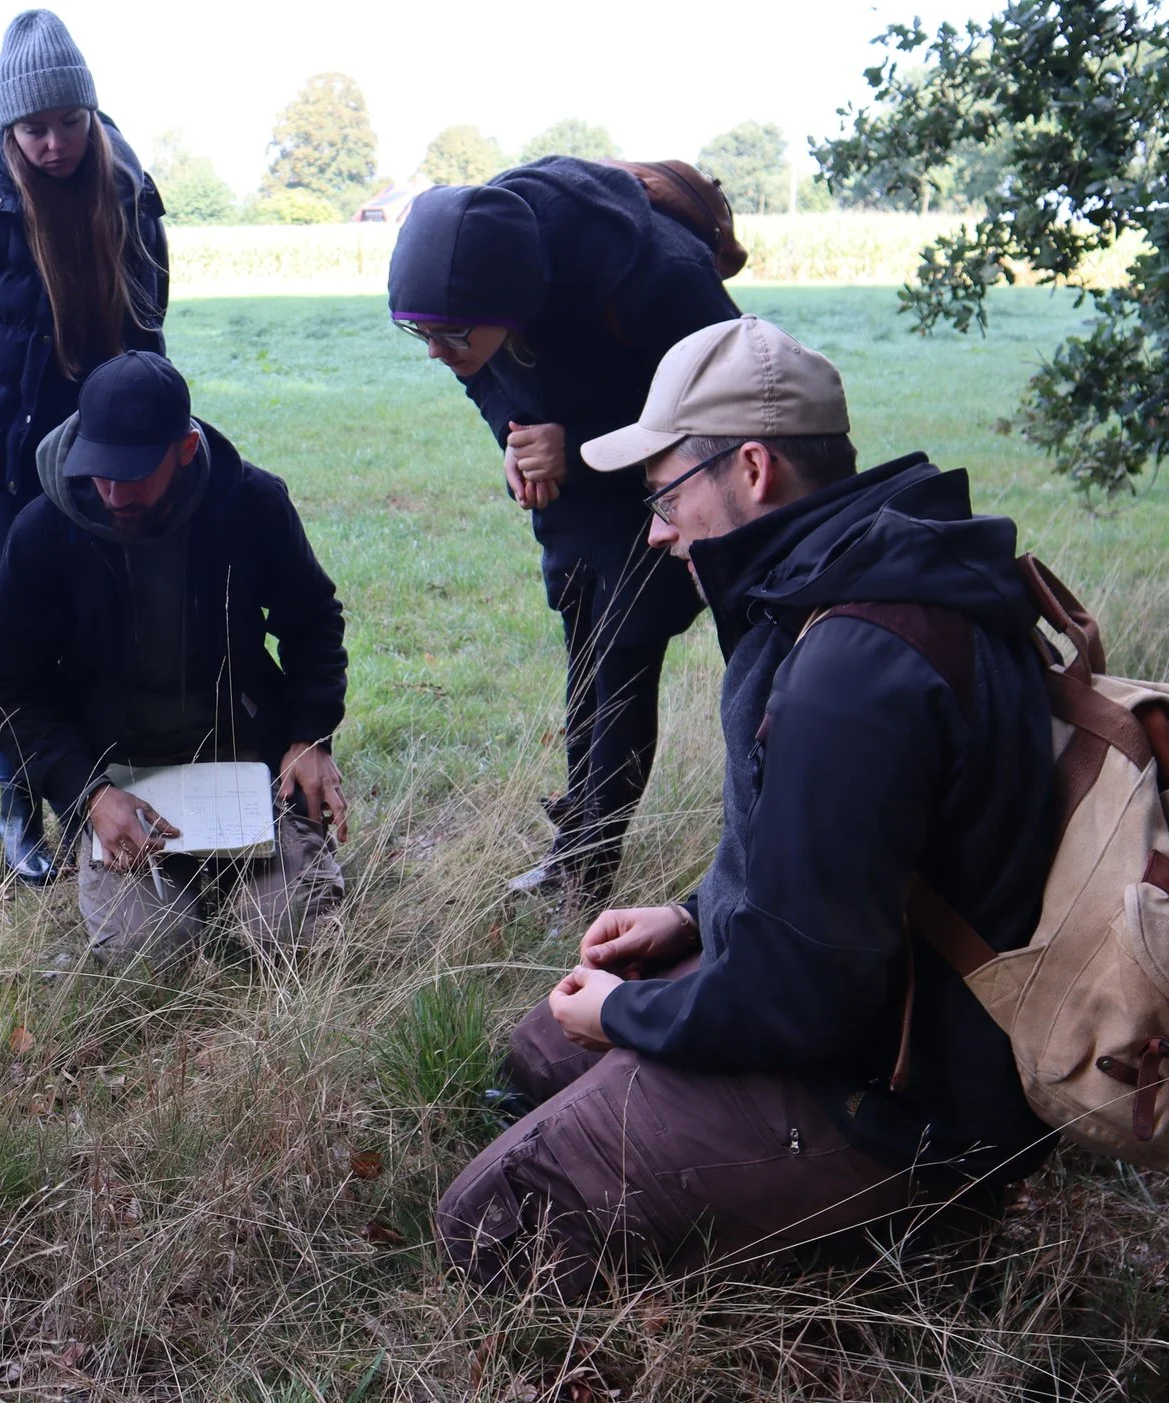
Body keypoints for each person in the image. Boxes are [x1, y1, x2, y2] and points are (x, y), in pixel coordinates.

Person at [436, 315, 1059, 1297]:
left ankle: (915, 1231)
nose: (655, 527)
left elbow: (798, 997)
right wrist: (688, 915)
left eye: (665, 491)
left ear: (755, 468)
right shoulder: (852, 580)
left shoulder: (853, 659)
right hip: (893, 999)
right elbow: (839, 852)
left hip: (904, 1092)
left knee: (493, 1218)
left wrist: (633, 1010)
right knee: (538, 1050)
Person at [386, 160, 737, 915]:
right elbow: (482, 375)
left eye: (445, 333)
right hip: (579, 485)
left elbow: (729, 408)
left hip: (678, 484)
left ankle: (607, 870)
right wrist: (517, 446)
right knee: (585, 652)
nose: (432, 350)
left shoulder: (658, 278)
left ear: (513, 297)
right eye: (417, 332)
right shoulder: (473, 278)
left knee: (623, 658)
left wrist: (574, 445)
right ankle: (579, 843)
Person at [0, 351, 349, 968]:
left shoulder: (252, 505)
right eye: (100, 472)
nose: (115, 494)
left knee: (292, 934)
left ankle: (258, 864)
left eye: (134, 473)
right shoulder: (43, 533)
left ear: (185, 448)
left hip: (243, 763)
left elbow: (313, 623)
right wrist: (87, 793)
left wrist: (309, 736)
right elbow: (6, 692)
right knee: (152, 954)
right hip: (119, 779)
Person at [0, 8, 170, 886]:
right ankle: (20, 802)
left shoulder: (130, 195)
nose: (53, 143)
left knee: (106, 628)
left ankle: (102, 794)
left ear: (91, 115)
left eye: (68, 122)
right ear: (6, 127)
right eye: (33, 127)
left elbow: (151, 325)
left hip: (104, 468)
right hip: (3, 473)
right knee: (17, 641)